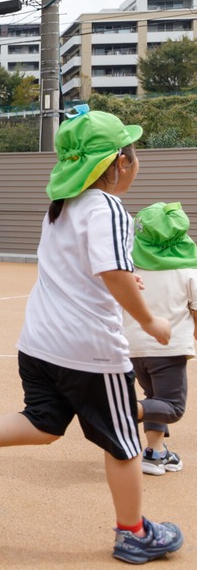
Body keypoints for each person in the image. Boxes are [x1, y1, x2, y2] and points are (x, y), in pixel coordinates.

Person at [0, 108, 183, 565]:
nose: (136, 161)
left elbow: (88, 269)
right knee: (124, 445)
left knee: (45, 422)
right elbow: (109, 271)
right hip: (91, 352)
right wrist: (150, 321)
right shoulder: (108, 207)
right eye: (133, 152)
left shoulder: (60, 208)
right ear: (118, 162)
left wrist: (124, 278)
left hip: (40, 342)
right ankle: (134, 532)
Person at [122, 202, 196, 476]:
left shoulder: (131, 269)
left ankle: (155, 454)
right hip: (167, 348)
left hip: (133, 348)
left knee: (155, 397)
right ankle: (120, 410)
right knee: (172, 407)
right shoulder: (189, 271)